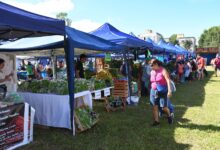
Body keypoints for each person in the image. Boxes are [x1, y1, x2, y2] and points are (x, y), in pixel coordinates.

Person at [150, 59, 173, 126]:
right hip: (154, 91)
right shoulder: (152, 72)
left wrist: (169, 91)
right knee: (155, 106)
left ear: (156, 64)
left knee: (164, 107)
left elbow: (168, 80)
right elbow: (152, 81)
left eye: (152, 65)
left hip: (162, 91)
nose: (151, 66)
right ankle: (156, 121)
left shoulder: (163, 70)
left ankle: (169, 115)